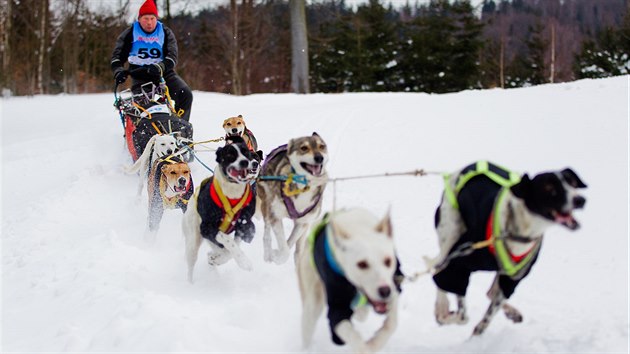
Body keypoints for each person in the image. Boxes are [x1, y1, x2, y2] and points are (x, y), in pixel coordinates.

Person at [111, 0, 193, 121]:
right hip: (139, 75)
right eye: (146, 18)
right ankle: (143, 133)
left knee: (185, 94)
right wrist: (119, 71)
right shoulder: (129, 33)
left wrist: (160, 67)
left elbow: (172, 56)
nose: (149, 22)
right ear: (139, 19)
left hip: (163, 73)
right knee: (143, 107)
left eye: (152, 18)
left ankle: (181, 127)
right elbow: (117, 57)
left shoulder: (165, 32)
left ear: (157, 19)